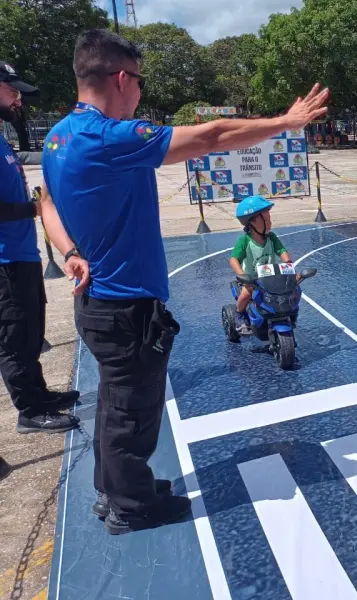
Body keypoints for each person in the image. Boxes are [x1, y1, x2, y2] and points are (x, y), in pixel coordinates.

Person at [40, 29, 329, 535]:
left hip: (97, 302)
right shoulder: (107, 136)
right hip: (126, 305)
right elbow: (212, 137)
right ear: (122, 78)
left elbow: (46, 203)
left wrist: (69, 253)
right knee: (132, 413)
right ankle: (132, 507)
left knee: (114, 403)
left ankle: (116, 490)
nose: (140, 96)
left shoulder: (58, 136)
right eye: (140, 83)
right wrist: (286, 122)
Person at [0, 60, 83, 434]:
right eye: (11, 89)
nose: (18, 97)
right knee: (14, 337)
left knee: (32, 331)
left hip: (22, 253)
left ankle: (41, 393)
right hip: (4, 261)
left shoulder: (2, 137)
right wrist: (36, 208)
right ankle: (29, 410)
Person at [229, 196, 291, 335]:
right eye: (267, 221)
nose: (270, 223)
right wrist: (242, 275)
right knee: (247, 293)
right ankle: (240, 314)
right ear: (252, 222)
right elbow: (233, 259)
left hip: (271, 277)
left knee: (287, 290)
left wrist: (288, 264)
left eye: (270, 220)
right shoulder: (244, 240)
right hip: (252, 280)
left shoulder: (272, 238)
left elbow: (282, 251)